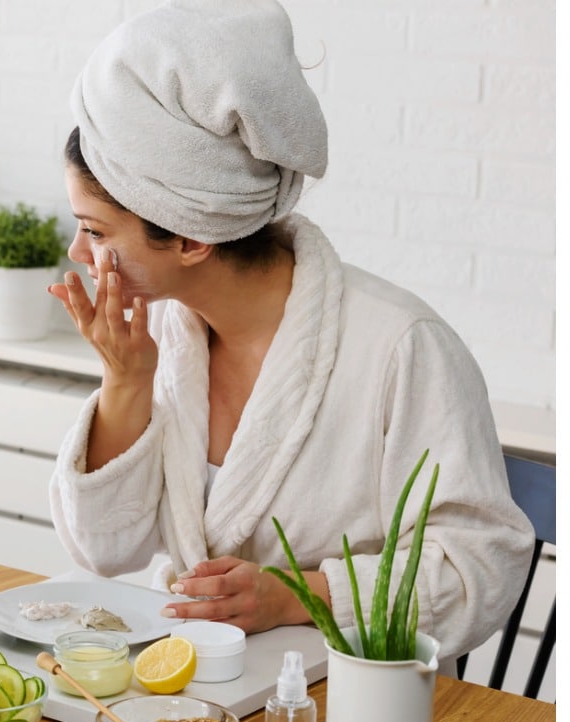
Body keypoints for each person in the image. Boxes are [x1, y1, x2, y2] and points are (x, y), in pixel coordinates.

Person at [46, 0, 533, 668]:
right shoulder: (158, 333)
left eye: (96, 230)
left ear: (189, 236)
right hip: (192, 693)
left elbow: (485, 562)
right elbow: (105, 551)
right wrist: (124, 382)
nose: (78, 251)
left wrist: (302, 594)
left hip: (352, 707)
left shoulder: (401, 347)